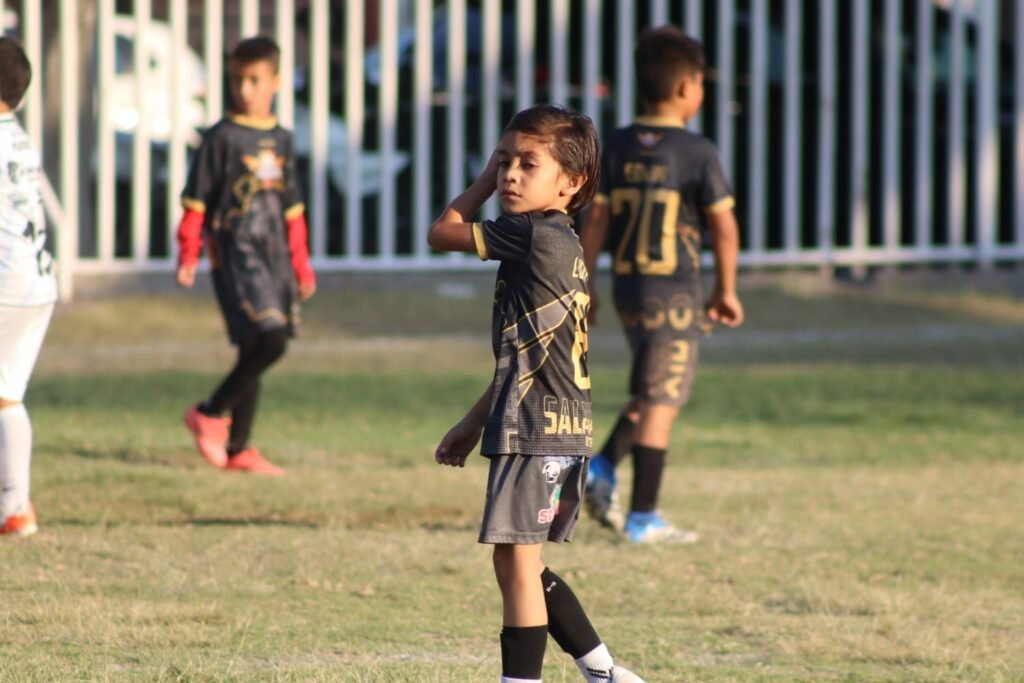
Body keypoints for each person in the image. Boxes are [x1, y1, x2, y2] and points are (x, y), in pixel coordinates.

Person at [428, 105, 644, 683]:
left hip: (535, 428)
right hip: (559, 423)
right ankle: (603, 671)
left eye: (527, 163)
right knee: (523, 560)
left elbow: (441, 232)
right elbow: (526, 356)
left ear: (570, 183)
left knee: (516, 564)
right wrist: (473, 422)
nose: (509, 175)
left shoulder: (529, 233)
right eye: (504, 162)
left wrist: (480, 181)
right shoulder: (562, 240)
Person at [578, 26, 744, 544]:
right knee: (662, 402)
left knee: (650, 389)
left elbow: (596, 220)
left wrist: (586, 282)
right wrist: (726, 289)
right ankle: (643, 517)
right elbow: (723, 226)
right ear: (686, 88)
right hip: (674, 291)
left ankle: (602, 468)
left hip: (630, 289)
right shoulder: (696, 151)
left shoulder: (617, 144)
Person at [176, 36, 316, 476]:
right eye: (237, 80)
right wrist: (189, 253)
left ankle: (238, 449)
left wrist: (301, 264)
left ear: (275, 81)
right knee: (270, 340)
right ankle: (210, 412)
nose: (245, 89)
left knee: (254, 346)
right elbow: (195, 203)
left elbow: (292, 210)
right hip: (235, 255)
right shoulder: (220, 138)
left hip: (275, 255)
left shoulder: (282, 139)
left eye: (254, 80)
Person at [0, 37, 56, 537]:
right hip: (35, 282)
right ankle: (16, 507)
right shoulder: (18, 138)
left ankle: (14, 504)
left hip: (6, 283)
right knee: (7, 397)